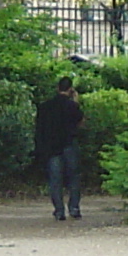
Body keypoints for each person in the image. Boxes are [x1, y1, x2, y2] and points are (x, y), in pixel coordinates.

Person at [35, 76, 85, 221]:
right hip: (69, 144)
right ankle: (74, 208)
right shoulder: (72, 106)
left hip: (51, 146)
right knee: (73, 178)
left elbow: (39, 128)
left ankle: (59, 210)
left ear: (58, 88)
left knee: (55, 179)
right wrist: (76, 102)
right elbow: (80, 123)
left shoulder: (45, 106)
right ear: (70, 90)